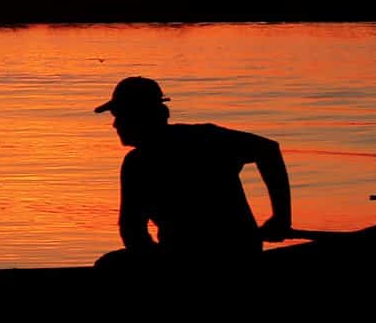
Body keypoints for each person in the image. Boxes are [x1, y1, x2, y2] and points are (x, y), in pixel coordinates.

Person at [93, 76, 291, 274]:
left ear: (140, 116)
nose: (115, 124)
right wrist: (281, 217)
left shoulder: (138, 164)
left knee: (108, 266)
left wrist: (153, 260)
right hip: (234, 252)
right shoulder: (206, 138)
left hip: (197, 257)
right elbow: (268, 150)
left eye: (119, 115)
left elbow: (132, 231)